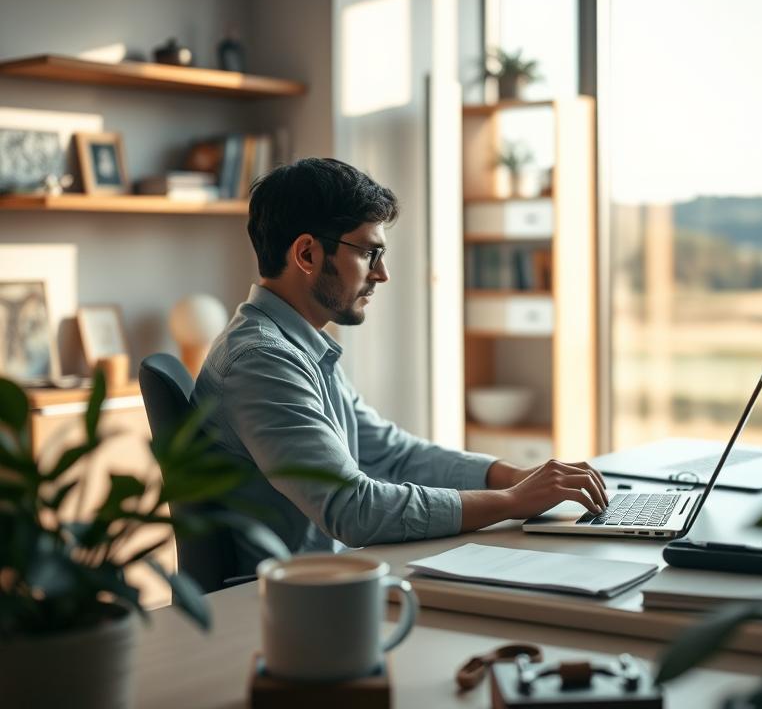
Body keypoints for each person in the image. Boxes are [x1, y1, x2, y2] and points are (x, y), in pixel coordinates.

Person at [193, 158, 608, 567]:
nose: (382, 274)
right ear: (307, 255)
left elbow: (394, 455)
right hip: (286, 603)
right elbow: (354, 510)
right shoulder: (263, 360)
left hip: (327, 584)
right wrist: (512, 502)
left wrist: (513, 477)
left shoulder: (301, 345)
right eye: (370, 254)